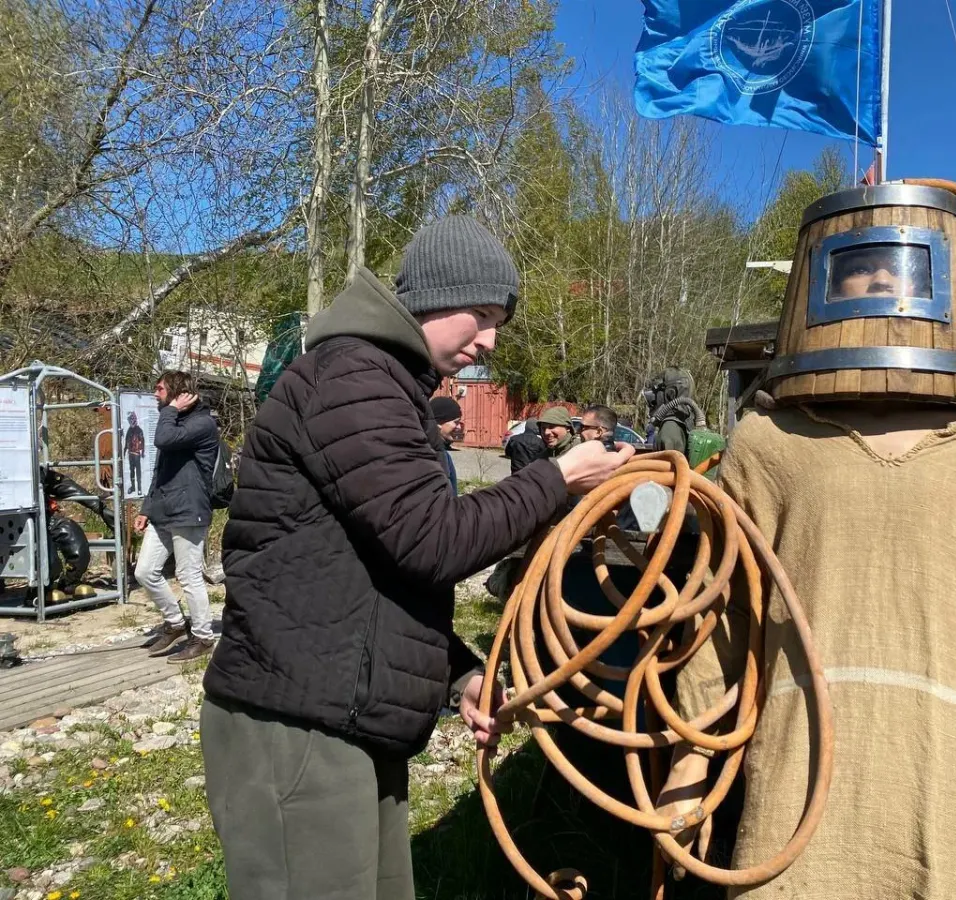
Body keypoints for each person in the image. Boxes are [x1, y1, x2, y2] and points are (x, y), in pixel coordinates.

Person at [200, 216, 634, 900]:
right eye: (483, 314)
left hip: (344, 716)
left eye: (501, 321)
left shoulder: (384, 383)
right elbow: (432, 540)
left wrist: (456, 677)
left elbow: (369, 575)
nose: (490, 339)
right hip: (298, 728)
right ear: (435, 295)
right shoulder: (353, 377)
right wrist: (557, 478)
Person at [658, 247, 956, 900]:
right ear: (819, 289)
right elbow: (724, 617)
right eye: (857, 269)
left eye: (906, 268)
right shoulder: (769, 444)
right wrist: (690, 761)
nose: (884, 279)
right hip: (799, 793)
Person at [134, 371, 220, 663]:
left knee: (188, 575)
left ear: (178, 393)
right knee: (144, 572)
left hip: (189, 510)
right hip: (164, 511)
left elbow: (163, 439)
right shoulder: (176, 421)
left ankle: (203, 637)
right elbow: (160, 473)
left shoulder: (202, 423)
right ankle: (174, 623)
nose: (155, 394)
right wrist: (147, 508)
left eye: (160, 389)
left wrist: (170, 411)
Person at [430, 396, 463, 493]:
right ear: (439, 423)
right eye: (456, 422)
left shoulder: (445, 455)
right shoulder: (432, 455)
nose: (459, 427)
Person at [124, 411, 145, 494]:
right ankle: (133, 487)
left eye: (133, 419)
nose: (132, 421)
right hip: (130, 453)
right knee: (131, 471)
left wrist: (142, 452)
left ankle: (139, 488)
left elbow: (142, 441)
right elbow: (126, 441)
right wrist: (125, 450)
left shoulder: (139, 430)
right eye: (130, 419)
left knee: (138, 471)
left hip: (136, 454)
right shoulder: (129, 430)